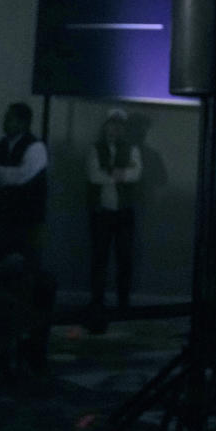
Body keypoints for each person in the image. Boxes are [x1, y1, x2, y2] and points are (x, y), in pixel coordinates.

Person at [0, 102, 56, 375]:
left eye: (10, 119)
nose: (5, 122)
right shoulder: (3, 146)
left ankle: (29, 341)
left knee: (28, 279)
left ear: (23, 122)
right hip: (5, 222)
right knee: (9, 280)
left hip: (28, 223)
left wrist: (2, 174)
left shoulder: (36, 148)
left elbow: (23, 176)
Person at [87, 108, 142, 320]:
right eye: (111, 124)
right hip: (101, 212)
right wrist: (119, 173)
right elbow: (93, 176)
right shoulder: (95, 149)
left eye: (119, 125)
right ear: (105, 126)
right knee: (99, 258)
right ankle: (97, 301)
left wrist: (108, 172)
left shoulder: (132, 149)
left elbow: (136, 174)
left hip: (124, 213)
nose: (114, 129)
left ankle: (123, 303)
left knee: (124, 259)